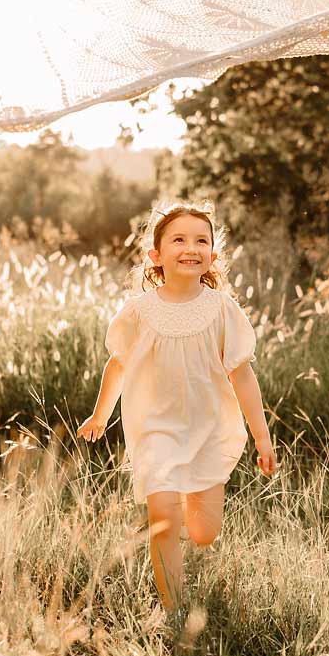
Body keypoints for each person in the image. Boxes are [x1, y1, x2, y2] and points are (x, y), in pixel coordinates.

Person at [77, 204, 278, 610]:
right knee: (163, 518)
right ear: (156, 256)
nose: (191, 247)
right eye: (179, 239)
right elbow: (117, 365)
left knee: (204, 532)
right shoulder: (139, 312)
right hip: (155, 429)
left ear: (212, 256)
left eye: (201, 240)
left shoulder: (222, 310)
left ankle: (189, 505)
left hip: (208, 428)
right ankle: (173, 608)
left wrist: (262, 437)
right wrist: (101, 414)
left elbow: (242, 376)